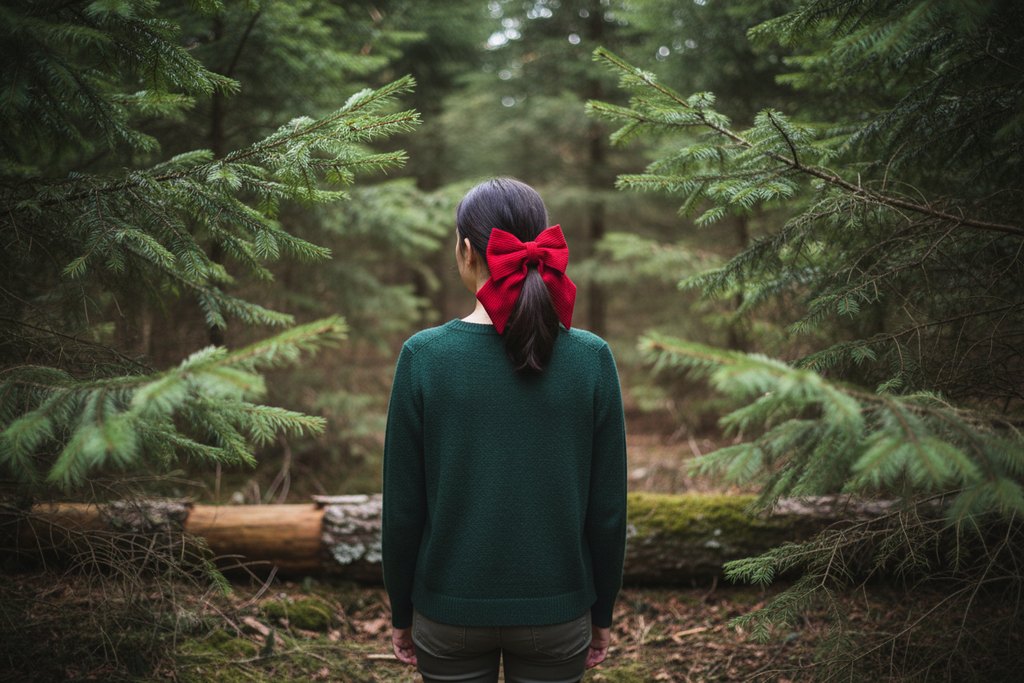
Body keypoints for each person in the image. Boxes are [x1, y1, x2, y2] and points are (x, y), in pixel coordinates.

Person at [381, 178, 627, 683]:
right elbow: (608, 512)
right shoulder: (591, 358)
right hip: (558, 613)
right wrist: (601, 612)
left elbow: (403, 509)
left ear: (466, 250)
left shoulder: (423, 357)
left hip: (447, 613)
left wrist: (402, 612)